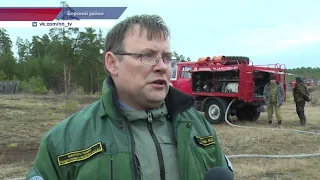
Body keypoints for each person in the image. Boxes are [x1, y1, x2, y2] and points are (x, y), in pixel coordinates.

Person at [25, 14, 234, 180]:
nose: (162, 67)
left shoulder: (199, 127)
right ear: (113, 63)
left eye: (167, 58)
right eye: (148, 56)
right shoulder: (64, 141)